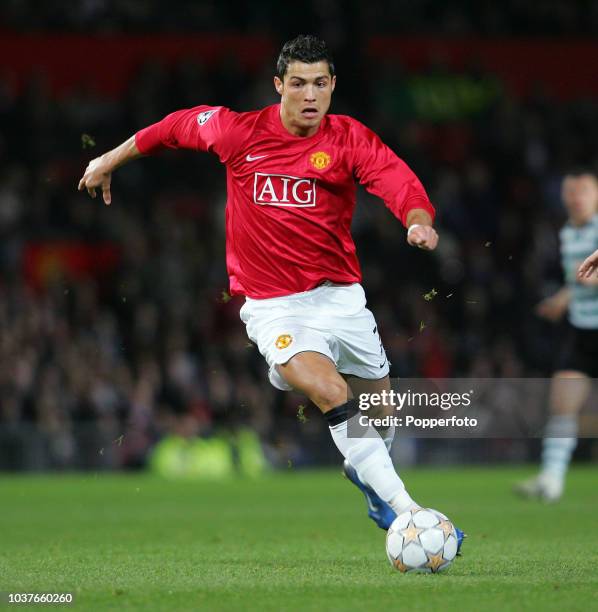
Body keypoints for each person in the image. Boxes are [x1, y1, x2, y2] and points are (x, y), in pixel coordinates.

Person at [78, 34, 464, 549]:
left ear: (332, 87)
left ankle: (368, 476)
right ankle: (412, 514)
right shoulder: (238, 132)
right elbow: (172, 128)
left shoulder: (348, 139)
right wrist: (108, 159)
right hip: (275, 307)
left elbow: (399, 182)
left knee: (382, 414)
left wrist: (418, 222)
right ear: (279, 85)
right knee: (331, 393)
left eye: (320, 84)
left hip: (342, 298)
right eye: (298, 84)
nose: (309, 95)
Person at [516, 170, 598, 502]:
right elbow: (578, 279)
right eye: (570, 192)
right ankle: (551, 480)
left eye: (584, 191)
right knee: (562, 403)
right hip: (581, 329)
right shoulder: (567, 233)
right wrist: (561, 301)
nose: (576, 198)